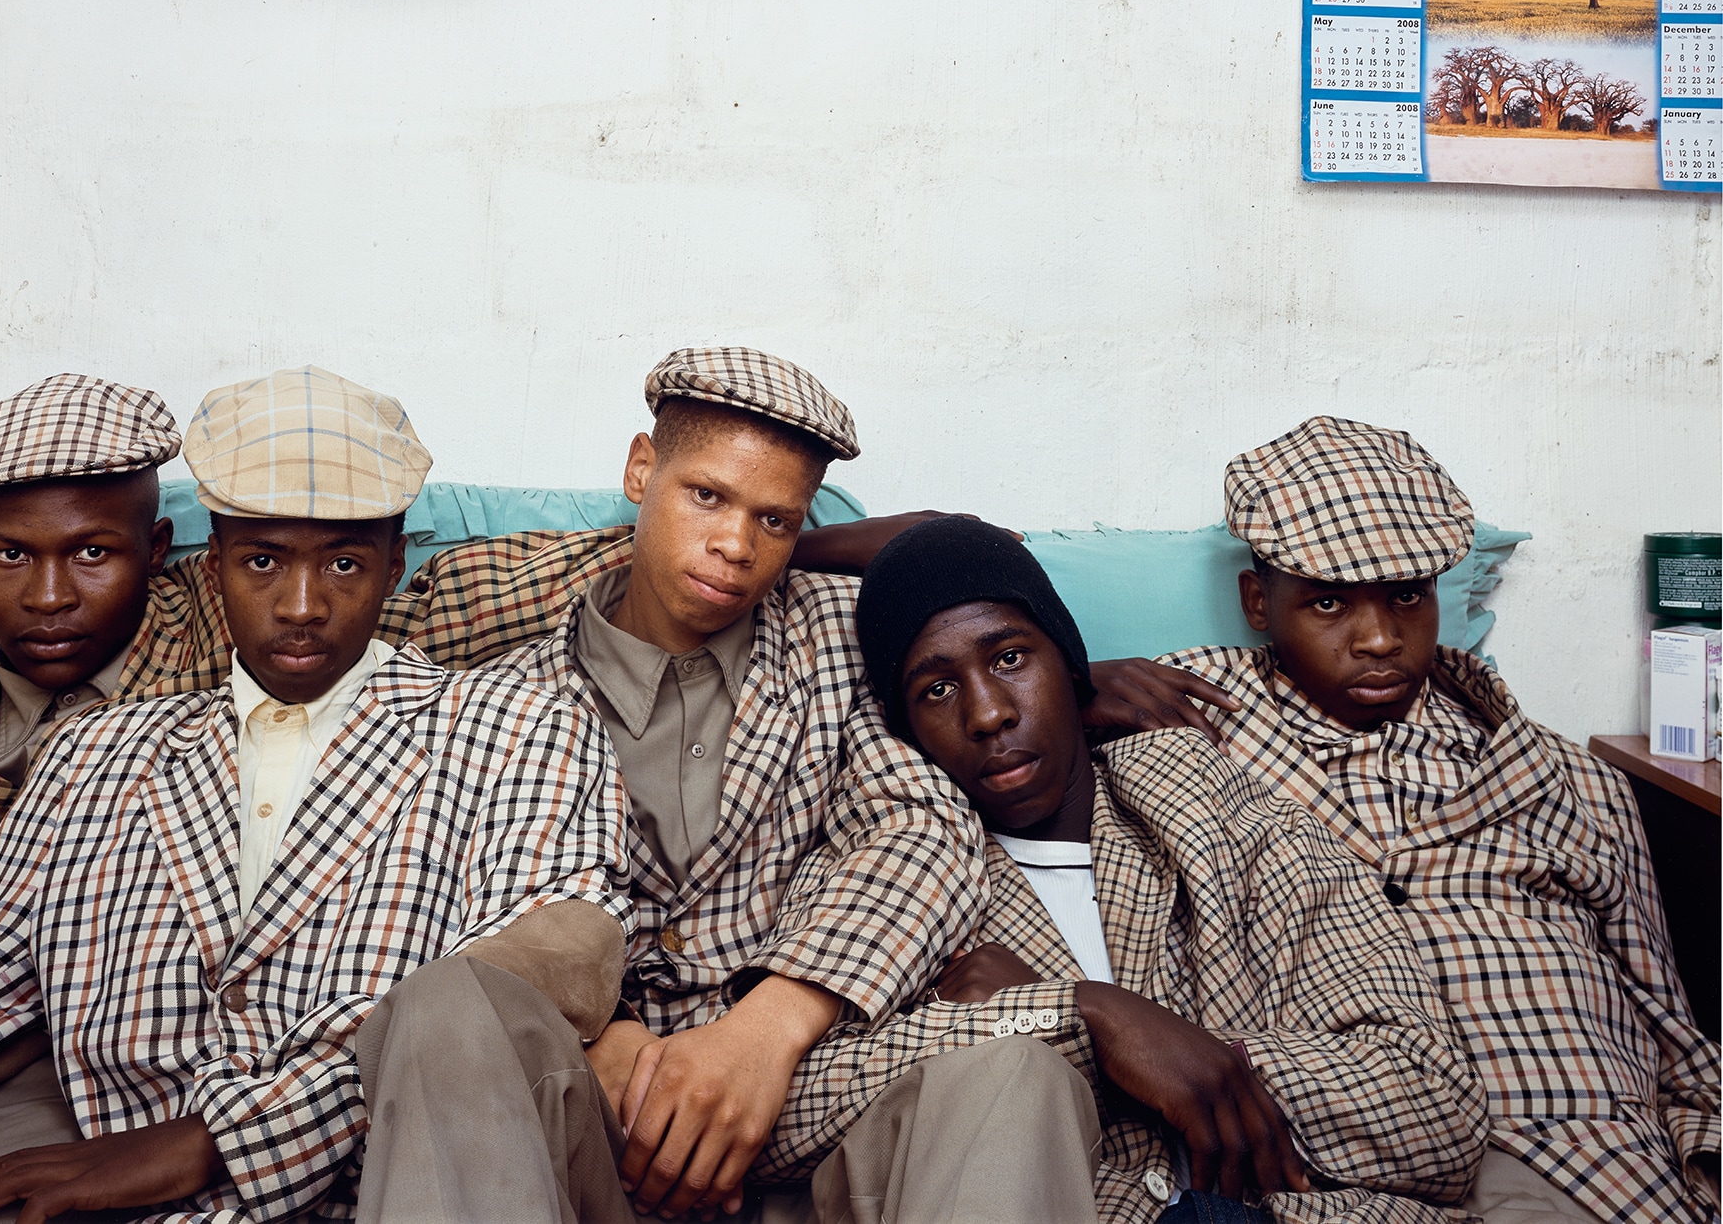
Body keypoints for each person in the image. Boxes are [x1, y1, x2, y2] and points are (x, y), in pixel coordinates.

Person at [0, 372, 1006, 1085]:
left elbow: (664, 573)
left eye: (96, 554)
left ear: (161, 554)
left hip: (300, 1042)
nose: (56, 596)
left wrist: (911, 581)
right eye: (13, 556)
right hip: (1, 1042)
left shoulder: (312, 628)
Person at [0, 366, 631, 1224]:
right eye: (263, 562)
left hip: (399, 1184)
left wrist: (223, 1138)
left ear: (395, 564)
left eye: (343, 563)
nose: (301, 606)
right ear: (215, 566)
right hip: (132, 1193)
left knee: (458, 1005)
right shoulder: (94, 753)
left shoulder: (519, 726)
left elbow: (533, 981)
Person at [346, 346, 999, 1222]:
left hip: (802, 1106)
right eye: (706, 497)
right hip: (576, 1125)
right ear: (639, 469)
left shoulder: (844, 639)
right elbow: (461, 903)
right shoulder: (503, 695)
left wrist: (768, 1030)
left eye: (775, 522)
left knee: (1009, 1070)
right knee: (445, 1009)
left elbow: (924, 830)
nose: (735, 546)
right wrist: (602, 1030)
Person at [767, 514, 1490, 1224]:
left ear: (1073, 668)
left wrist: (1187, 1057)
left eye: (1010, 658)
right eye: (936, 690)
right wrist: (1077, 1014)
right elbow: (781, 1115)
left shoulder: (1222, 818)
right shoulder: (876, 880)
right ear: (904, 731)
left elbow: (1436, 1107)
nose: (987, 713)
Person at [1152, 417, 1719, 1224]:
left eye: (1407, 597)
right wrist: (1085, 682)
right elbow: (977, 690)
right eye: (1327, 602)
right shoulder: (1188, 720)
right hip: (1337, 1151)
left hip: (1587, 1151)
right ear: (1256, 601)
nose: (1378, 638)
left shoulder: (1566, 778)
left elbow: (1667, 1021)